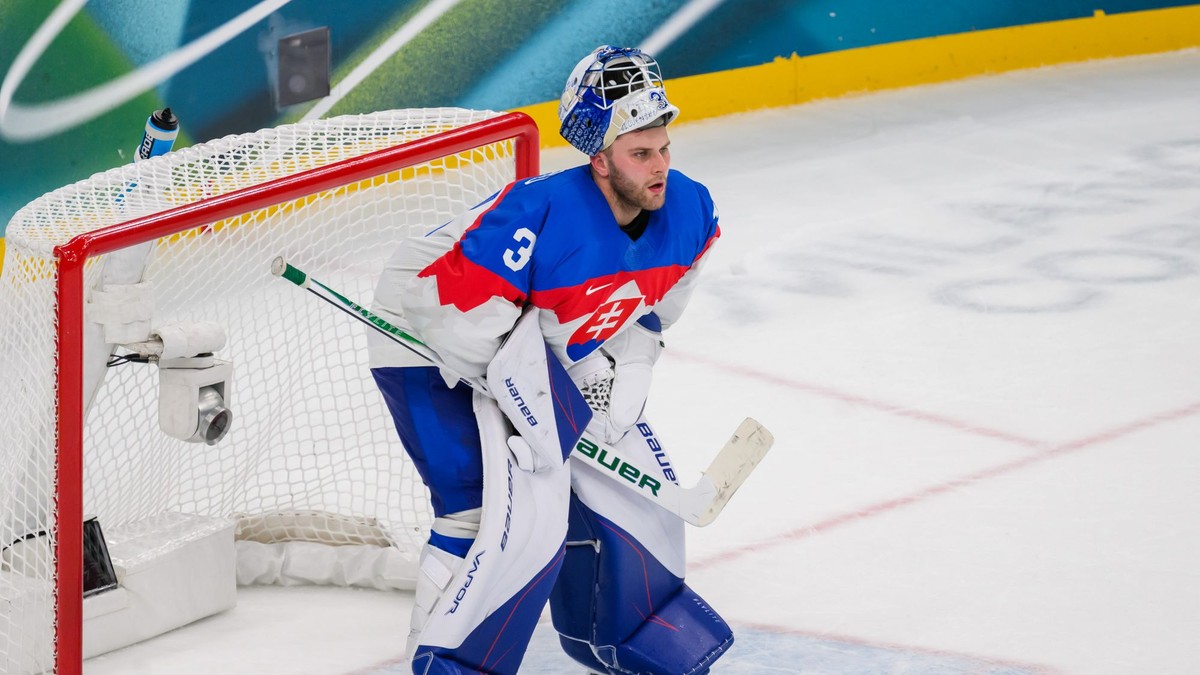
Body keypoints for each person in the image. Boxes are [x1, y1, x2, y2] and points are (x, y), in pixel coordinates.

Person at [368, 44, 732, 675]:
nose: (660, 168)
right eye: (641, 154)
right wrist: (540, 405)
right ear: (600, 160)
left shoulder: (692, 210)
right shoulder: (540, 214)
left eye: (663, 149)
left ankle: (620, 626)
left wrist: (626, 365)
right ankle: (442, 661)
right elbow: (448, 315)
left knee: (606, 480)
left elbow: (645, 312)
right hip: (422, 328)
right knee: (480, 507)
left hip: (520, 334)